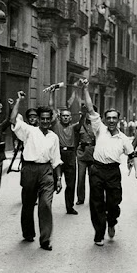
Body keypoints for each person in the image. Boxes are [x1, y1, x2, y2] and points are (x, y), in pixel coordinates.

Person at [81, 80, 137, 246]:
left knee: (114, 203)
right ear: (105, 119)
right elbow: (90, 108)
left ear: (119, 120)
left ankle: (112, 221)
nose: (111, 121)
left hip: (113, 172)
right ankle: (99, 233)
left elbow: (133, 155)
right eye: (108, 118)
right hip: (97, 169)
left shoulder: (123, 138)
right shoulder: (99, 128)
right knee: (96, 203)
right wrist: (85, 89)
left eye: (114, 118)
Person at [10, 91, 63, 251]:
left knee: (46, 204)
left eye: (48, 119)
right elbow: (13, 119)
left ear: (51, 119)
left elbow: (56, 159)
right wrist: (18, 100)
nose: (45, 121)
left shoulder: (53, 137)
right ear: (38, 119)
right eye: (42, 119)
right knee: (28, 203)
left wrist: (59, 178)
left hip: (46, 171)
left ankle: (45, 239)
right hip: (30, 169)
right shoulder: (29, 131)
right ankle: (28, 233)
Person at [48, 87, 81, 215]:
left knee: (71, 183)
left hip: (71, 155)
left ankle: (69, 207)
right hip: (58, 154)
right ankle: (47, 204)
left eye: (68, 116)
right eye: (63, 116)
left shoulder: (74, 127)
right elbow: (51, 108)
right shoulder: (56, 125)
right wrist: (51, 93)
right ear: (60, 117)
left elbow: (82, 122)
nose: (66, 118)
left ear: (70, 118)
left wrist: (83, 112)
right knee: (52, 181)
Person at [76, 104, 97, 205]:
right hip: (82, 152)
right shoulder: (80, 124)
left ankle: (93, 198)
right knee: (80, 178)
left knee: (93, 178)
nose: (89, 115)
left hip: (93, 153)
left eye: (90, 112)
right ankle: (80, 198)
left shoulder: (97, 126)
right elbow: (76, 136)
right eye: (87, 112)